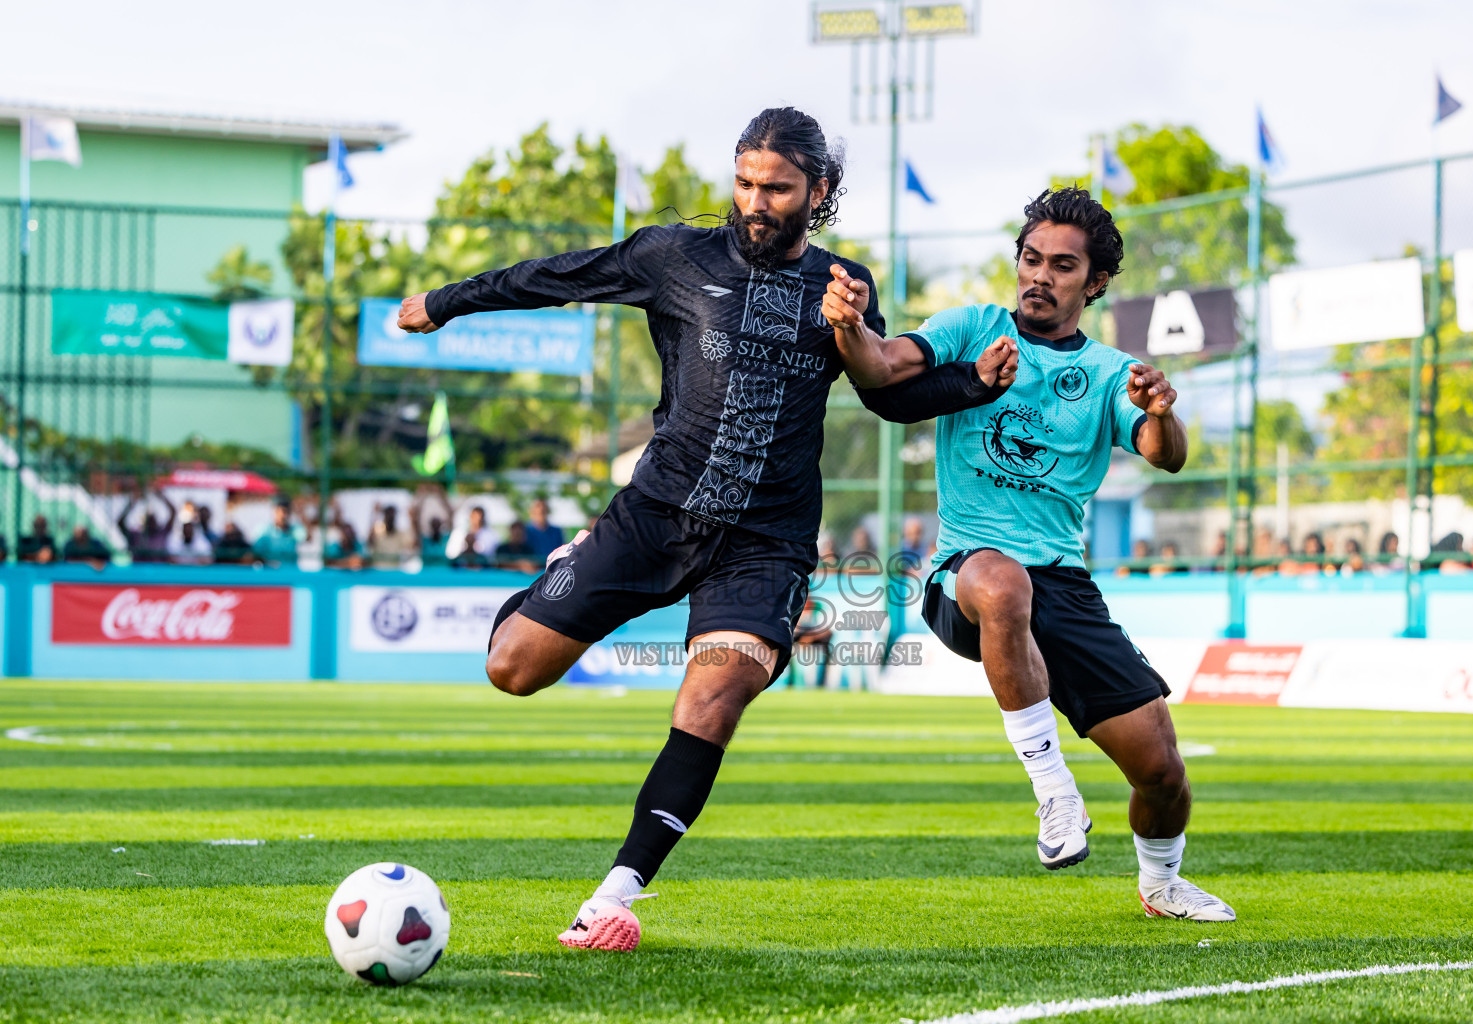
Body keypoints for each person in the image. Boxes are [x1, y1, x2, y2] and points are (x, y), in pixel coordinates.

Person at [396, 106, 1009, 952]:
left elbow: (884, 392)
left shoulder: (844, 280)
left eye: (778, 188)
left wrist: (969, 382)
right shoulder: (672, 256)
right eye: (746, 183)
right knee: (512, 670)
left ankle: (616, 894)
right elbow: (558, 276)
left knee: (714, 694)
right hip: (655, 512)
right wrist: (445, 301)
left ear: (818, 191)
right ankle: (562, 570)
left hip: (765, 543)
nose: (756, 202)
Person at [823, 184, 1234, 921]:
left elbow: (1161, 454)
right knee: (1003, 581)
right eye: (1031, 258)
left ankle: (1163, 884)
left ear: (1096, 281)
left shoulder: (1111, 372)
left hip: (1066, 590)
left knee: (1163, 772)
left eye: (1063, 265)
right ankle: (1054, 792)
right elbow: (881, 367)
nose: (1040, 276)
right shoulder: (972, 327)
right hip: (966, 575)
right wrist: (849, 326)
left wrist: (1161, 413)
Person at [117, 490, 174, 562]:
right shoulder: (136, 536)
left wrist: (161, 496)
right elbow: (120, 523)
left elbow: (173, 512)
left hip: (159, 571)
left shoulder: (162, 534)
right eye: (149, 520)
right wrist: (132, 502)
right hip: (139, 571)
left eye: (153, 519)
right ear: (145, 523)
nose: (151, 523)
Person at [253, 503, 303, 567]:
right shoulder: (263, 530)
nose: (283, 516)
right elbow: (255, 553)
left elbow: (307, 538)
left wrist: (302, 514)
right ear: (275, 513)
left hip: (290, 571)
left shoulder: (295, 530)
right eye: (280, 512)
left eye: (286, 512)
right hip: (270, 571)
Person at [369, 505, 417, 570]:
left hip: (394, 571)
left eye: (392, 517)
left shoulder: (400, 534)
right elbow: (370, 541)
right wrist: (375, 515)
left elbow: (412, 543)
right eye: (388, 515)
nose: (390, 518)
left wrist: (412, 519)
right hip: (379, 571)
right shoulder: (378, 533)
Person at [523, 498, 565, 563]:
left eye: (543, 510)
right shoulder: (525, 531)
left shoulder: (556, 531)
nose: (541, 508)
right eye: (537, 506)